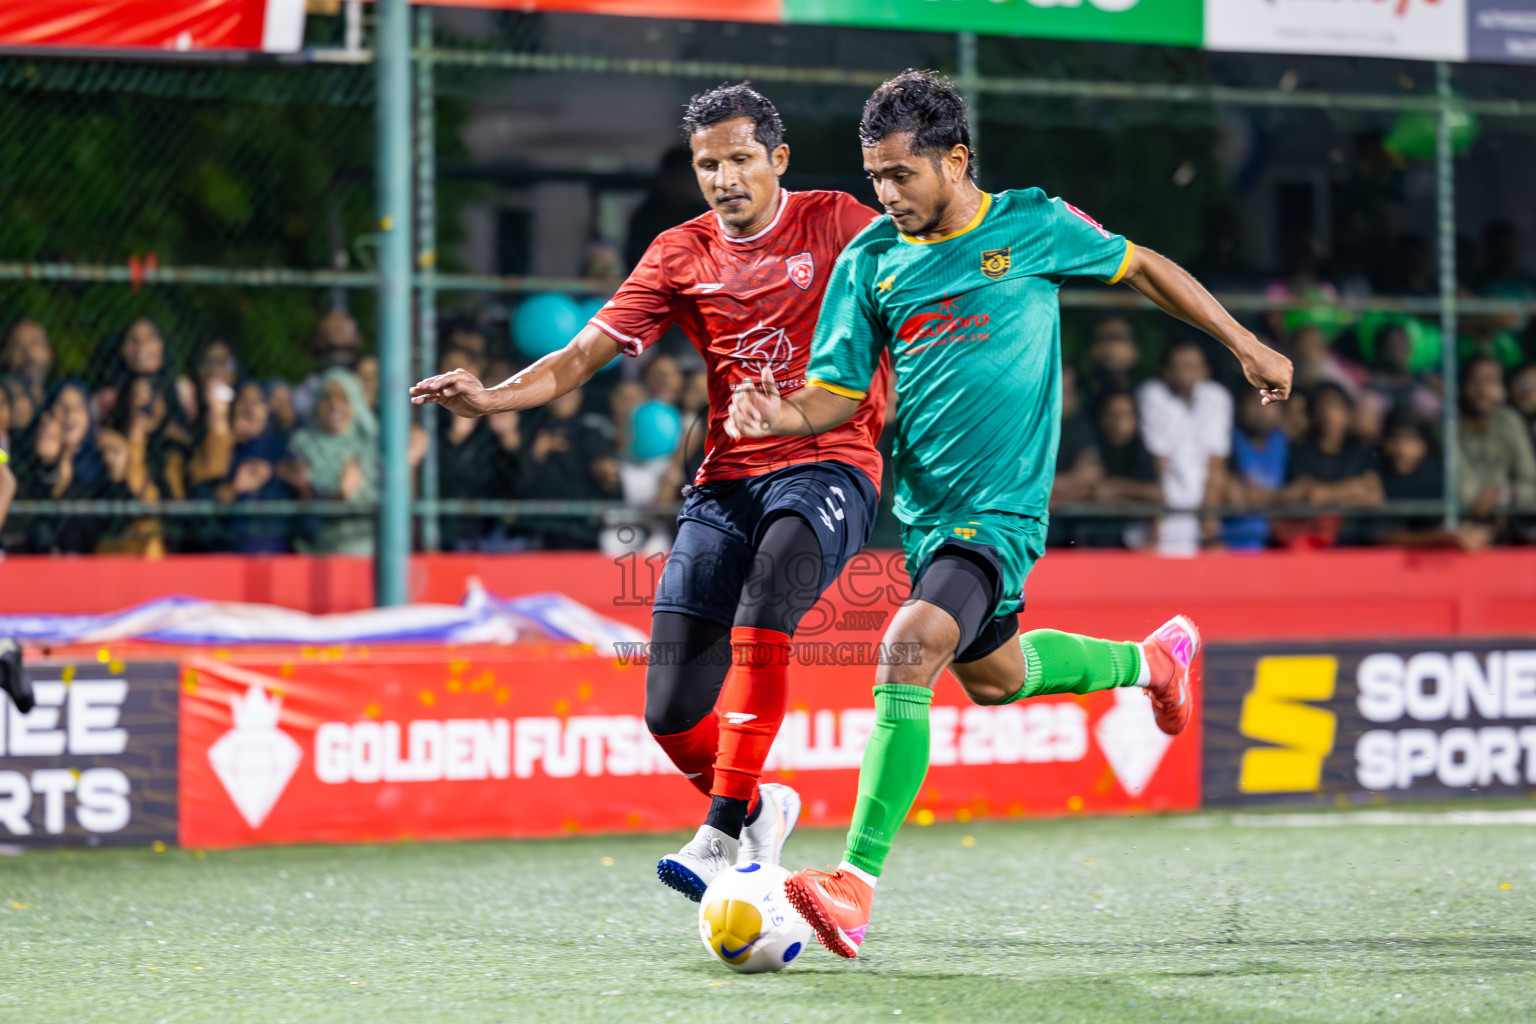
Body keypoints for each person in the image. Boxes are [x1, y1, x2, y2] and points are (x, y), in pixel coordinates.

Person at [726, 69, 1291, 959]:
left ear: (956, 161)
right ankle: (1156, 662)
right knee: (993, 675)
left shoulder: (1031, 224)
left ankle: (855, 886)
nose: (886, 193)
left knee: (908, 647)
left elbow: (1142, 265)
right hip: (929, 516)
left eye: (902, 174)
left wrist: (1246, 343)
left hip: (1004, 511)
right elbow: (833, 392)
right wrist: (782, 414)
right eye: (874, 176)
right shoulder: (871, 260)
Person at [410, 83, 889, 900]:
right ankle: (759, 807)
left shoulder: (840, 222)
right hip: (727, 479)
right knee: (669, 711)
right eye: (709, 164)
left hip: (829, 462)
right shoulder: (680, 252)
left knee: (768, 602)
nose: (725, 177)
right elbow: (575, 358)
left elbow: (925, 276)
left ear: (777, 160)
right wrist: (491, 396)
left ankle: (715, 834)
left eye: (741, 159)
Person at [1137, 339, 1233, 555]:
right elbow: (1158, 461)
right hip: (1163, 509)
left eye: (1191, 367)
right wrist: (1158, 525)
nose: (1184, 374)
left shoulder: (1217, 397)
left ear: (1205, 371)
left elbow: (1216, 462)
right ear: (1166, 371)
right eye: (1177, 367)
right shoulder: (1152, 394)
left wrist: (1209, 517)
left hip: (1201, 509)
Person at [280, 368, 378, 555]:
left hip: (367, 546)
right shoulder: (300, 446)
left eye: (343, 397)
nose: (334, 405)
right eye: (326, 397)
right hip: (315, 548)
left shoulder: (372, 445)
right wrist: (337, 499)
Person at [1369, 413, 1491, 551]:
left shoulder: (1435, 480)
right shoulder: (1374, 473)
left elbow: (1457, 528)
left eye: (1410, 440)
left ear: (1425, 444)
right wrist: (1441, 537)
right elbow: (1379, 534)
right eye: (1395, 439)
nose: (1402, 450)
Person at [1457, 355, 1536, 521]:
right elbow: (1457, 483)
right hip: (1460, 522)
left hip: (1506, 523)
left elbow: (1531, 483)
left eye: (1490, 381)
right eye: (1475, 381)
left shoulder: (1509, 421)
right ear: (1463, 385)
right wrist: (1478, 498)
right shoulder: (1450, 424)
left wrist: (1504, 495)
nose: (1482, 389)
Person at [1221, 388, 1289, 551]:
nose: (1262, 411)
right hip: (1229, 542)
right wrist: (1276, 498)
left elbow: (1297, 493)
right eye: (1255, 403)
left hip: (1272, 546)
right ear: (1241, 407)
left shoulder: (1284, 443)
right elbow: (1229, 493)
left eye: (1269, 404)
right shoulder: (1228, 441)